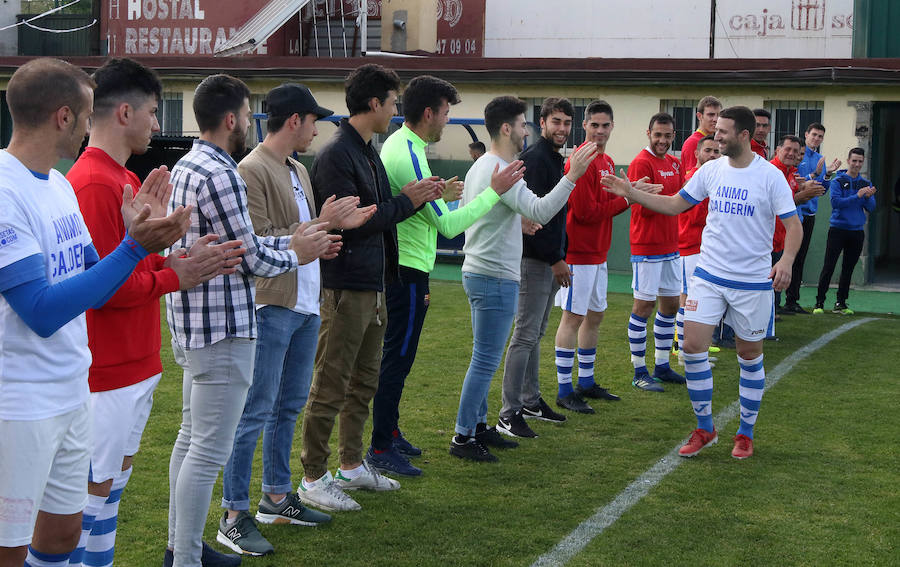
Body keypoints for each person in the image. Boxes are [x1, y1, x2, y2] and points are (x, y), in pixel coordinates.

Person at [0, 57, 191, 567]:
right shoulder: (5, 190)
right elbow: (40, 310)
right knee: (11, 547)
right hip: (19, 401)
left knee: (64, 535)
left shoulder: (58, 186)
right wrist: (133, 250)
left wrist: (150, 241)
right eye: (85, 115)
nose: (90, 126)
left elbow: (95, 273)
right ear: (64, 117)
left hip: (70, 388)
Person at [67, 58, 244, 567]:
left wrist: (174, 257)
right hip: (109, 371)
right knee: (90, 499)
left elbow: (130, 268)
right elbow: (103, 288)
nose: (157, 124)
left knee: (109, 494)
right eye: (151, 111)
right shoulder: (97, 183)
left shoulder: (121, 176)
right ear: (125, 112)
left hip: (132, 365)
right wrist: (175, 275)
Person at [164, 74, 338, 567]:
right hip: (222, 327)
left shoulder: (191, 164)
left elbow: (245, 248)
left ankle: (183, 548)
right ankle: (188, 556)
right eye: (245, 113)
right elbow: (253, 257)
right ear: (231, 119)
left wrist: (298, 244)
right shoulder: (223, 171)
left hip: (198, 322)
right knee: (205, 451)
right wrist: (299, 250)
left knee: (190, 440)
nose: (249, 121)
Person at [217, 83, 376, 556]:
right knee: (255, 411)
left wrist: (329, 227)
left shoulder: (298, 170)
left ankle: (277, 496)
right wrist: (318, 226)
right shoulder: (251, 170)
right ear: (294, 121)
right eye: (313, 120)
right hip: (272, 305)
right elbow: (258, 241)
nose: (316, 129)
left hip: (306, 304)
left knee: (287, 408)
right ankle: (232, 513)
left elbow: (302, 238)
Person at [600, 105, 802, 460]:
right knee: (692, 348)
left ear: (743, 135)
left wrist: (785, 261)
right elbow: (675, 204)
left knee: (749, 355)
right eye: (715, 130)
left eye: (723, 131)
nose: (716, 135)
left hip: (752, 282)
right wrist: (629, 192)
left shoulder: (769, 176)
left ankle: (745, 433)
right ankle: (704, 427)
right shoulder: (711, 170)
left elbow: (794, 224)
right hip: (708, 275)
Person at [298, 64, 443, 511]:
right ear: (375, 104)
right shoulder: (338, 154)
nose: (396, 110)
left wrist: (403, 203)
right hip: (346, 287)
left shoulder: (367, 150)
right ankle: (313, 475)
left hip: (375, 283)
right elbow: (354, 223)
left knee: (363, 380)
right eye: (393, 102)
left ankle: (352, 465)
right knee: (331, 382)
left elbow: (376, 216)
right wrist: (408, 201)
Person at [371, 75, 521, 470]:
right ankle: (381, 446)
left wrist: (444, 196)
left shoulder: (407, 145)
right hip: (405, 269)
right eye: (446, 113)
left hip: (411, 265)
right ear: (428, 114)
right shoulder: (408, 153)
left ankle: (391, 432)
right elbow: (450, 228)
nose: (447, 121)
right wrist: (494, 191)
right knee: (396, 358)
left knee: (400, 357)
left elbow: (426, 211)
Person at [449, 95, 600, 462]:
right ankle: (463, 437)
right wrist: (572, 177)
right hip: (493, 276)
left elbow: (490, 214)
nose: (525, 130)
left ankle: (479, 427)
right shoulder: (502, 167)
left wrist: (518, 221)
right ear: (506, 128)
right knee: (485, 360)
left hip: (484, 273)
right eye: (521, 124)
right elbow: (542, 209)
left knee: (484, 357)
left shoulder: (486, 165)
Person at [496, 96, 575, 438]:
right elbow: (534, 217)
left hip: (547, 259)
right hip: (533, 261)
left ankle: (529, 399)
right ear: (541, 124)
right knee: (525, 334)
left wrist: (559, 253)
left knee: (535, 334)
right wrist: (555, 258)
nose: (562, 129)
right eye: (555, 121)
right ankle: (508, 411)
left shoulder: (554, 158)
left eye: (567, 123)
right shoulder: (536, 159)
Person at [553, 100, 633, 415]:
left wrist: (629, 191)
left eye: (605, 125)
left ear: (612, 127)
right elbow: (585, 213)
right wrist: (628, 200)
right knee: (572, 318)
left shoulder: (607, 160)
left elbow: (603, 204)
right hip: (578, 253)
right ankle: (564, 390)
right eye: (594, 125)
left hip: (597, 253)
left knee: (595, 315)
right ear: (584, 126)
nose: (600, 131)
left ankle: (586, 382)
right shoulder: (580, 160)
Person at [626, 112, 685, 392]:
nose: (662, 140)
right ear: (648, 133)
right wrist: (662, 200)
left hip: (671, 244)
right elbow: (640, 206)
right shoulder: (640, 162)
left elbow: (680, 202)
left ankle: (662, 365)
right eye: (658, 134)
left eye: (667, 135)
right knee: (643, 307)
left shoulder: (675, 163)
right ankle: (639, 371)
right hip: (647, 245)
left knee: (671, 304)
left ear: (674, 136)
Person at [785, 122, 842, 313]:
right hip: (794, 211)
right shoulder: (797, 156)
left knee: (800, 258)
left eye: (820, 136)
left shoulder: (820, 158)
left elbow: (821, 190)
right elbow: (798, 182)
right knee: (787, 256)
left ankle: (792, 300)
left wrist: (827, 175)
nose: (816, 139)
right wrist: (816, 174)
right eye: (814, 135)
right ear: (806, 134)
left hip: (810, 213)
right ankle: (781, 300)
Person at [813, 148, 876, 315]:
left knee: (848, 268)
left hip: (856, 232)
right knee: (829, 266)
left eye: (860, 161)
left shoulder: (866, 183)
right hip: (838, 230)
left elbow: (871, 208)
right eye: (854, 160)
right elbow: (836, 203)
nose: (856, 164)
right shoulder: (838, 180)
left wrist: (867, 197)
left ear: (863, 162)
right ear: (848, 161)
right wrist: (858, 196)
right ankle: (819, 303)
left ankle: (841, 302)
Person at [769, 135, 825, 322]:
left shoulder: (791, 173)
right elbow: (774, 206)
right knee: (765, 282)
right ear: (778, 151)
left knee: (776, 279)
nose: (792, 154)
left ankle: (773, 314)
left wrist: (805, 188)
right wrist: (802, 196)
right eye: (788, 149)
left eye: (796, 151)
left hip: (780, 237)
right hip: (767, 238)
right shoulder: (771, 172)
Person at [675, 135, 720, 362]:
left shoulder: (711, 179)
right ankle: (681, 351)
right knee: (686, 300)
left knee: (696, 301)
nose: (712, 155)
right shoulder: (694, 179)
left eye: (716, 151)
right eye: (708, 150)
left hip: (703, 248)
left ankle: (690, 349)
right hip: (689, 247)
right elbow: (692, 217)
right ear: (697, 154)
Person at [680, 96, 721, 172]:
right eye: (710, 115)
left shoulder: (718, 140)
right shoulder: (692, 143)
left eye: (718, 115)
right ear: (699, 116)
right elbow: (691, 179)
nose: (715, 119)